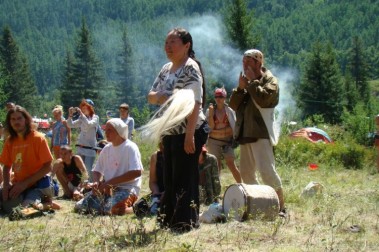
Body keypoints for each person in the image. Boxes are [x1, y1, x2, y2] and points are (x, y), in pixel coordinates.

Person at [147, 27, 209, 232]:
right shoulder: (166, 69)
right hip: (170, 130)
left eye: (173, 42)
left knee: (185, 176)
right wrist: (163, 97)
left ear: (186, 46)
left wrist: (190, 135)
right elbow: (151, 95)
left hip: (189, 129)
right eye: (166, 43)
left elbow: (196, 102)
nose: (168, 46)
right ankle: (170, 219)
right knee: (170, 176)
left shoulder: (191, 68)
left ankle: (186, 222)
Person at [229, 49, 286, 217]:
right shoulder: (246, 82)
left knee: (267, 171)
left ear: (258, 63)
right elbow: (233, 105)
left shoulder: (270, 80)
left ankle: (280, 206)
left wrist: (253, 82)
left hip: (261, 133)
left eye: (249, 61)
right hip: (245, 134)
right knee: (246, 174)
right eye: (243, 61)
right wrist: (240, 89)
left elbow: (266, 99)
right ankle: (258, 205)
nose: (245, 65)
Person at [74, 118, 143, 215]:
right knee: (81, 206)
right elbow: (97, 170)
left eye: (109, 130)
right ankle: (116, 206)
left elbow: (136, 172)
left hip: (127, 188)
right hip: (107, 188)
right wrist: (96, 182)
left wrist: (109, 183)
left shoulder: (130, 147)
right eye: (105, 130)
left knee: (108, 210)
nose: (106, 132)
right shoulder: (107, 149)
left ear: (118, 131)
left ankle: (134, 208)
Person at [0, 106, 57, 213]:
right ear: (9, 122)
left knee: (24, 210)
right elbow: (6, 166)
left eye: (19, 118)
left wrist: (25, 184)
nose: (16, 122)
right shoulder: (9, 141)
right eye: (13, 119)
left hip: (37, 185)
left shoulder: (38, 138)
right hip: (17, 184)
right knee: (7, 205)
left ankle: (46, 203)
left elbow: (48, 166)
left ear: (26, 120)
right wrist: (7, 185)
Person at [206, 87, 241, 183]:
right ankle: (217, 189)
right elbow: (210, 127)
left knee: (231, 164)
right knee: (216, 165)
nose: (218, 99)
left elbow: (233, 128)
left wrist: (224, 132)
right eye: (216, 96)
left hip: (227, 141)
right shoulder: (210, 111)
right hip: (213, 141)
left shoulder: (229, 111)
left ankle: (242, 186)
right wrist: (211, 114)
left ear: (225, 98)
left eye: (220, 96)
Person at [67, 99, 99, 181]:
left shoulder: (95, 117)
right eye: (82, 108)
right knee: (79, 168)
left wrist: (81, 114)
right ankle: (81, 186)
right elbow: (70, 125)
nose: (83, 110)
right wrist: (70, 115)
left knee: (88, 168)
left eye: (85, 108)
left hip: (90, 148)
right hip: (81, 147)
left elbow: (88, 124)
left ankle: (91, 186)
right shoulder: (82, 118)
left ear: (91, 108)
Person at [148, 142, 165, 215]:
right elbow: (153, 182)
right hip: (159, 192)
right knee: (140, 206)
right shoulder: (155, 156)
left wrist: (167, 193)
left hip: (173, 193)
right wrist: (156, 193)